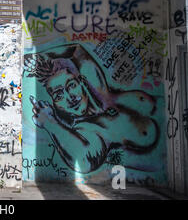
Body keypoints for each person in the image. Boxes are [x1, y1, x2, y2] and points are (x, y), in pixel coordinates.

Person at [24, 44, 160, 174]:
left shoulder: (101, 91)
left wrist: (34, 58)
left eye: (71, 85)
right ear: (54, 104)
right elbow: (83, 162)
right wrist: (51, 123)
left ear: (82, 82)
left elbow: (76, 50)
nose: (70, 97)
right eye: (59, 95)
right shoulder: (88, 130)